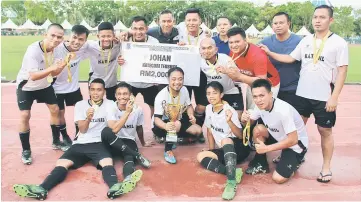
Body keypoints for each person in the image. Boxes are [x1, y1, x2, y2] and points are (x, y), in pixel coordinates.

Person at [259, 5, 348, 183]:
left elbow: (342, 71)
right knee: (294, 129)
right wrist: (269, 52)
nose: (317, 20)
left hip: (323, 97)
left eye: (322, 17)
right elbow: (291, 58)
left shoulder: (339, 43)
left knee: (325, 131)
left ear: (331, 20)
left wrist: (334, 97)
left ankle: (326, 168)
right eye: (315, 17)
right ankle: (292, 155)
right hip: (302, 95)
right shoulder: (306, 40)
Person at [13, 79, 142, 200]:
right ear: (89, 91)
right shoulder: (80, 105)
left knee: (107, 162)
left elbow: (113, 128)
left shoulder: (109, 105)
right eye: (93, 89)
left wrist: (127, 113)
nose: (96, 93)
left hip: (99, 143)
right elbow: (83, 129)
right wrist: (88, 119)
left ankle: (114, 187)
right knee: (62, 164)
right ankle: (42, 188)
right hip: (80, 143)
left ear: (104, 92)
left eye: (99, 90)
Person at [16, 23, 69, 165]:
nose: (56, 39)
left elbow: (54, 73)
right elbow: (33, 76)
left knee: (55, 110)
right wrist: (52, 67)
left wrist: (61, 67)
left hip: (44, 85)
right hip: (27, 85)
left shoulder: (57, 50)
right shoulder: (33, 50)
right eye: (53, 35)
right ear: (45, 35)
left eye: (59, 37)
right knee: (25, 115)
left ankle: (56, 141)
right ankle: (26, 150)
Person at [241, 79, 308, 184]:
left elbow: (293, 140)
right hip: (279, 136)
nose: (258, 100)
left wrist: (267, 148)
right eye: (255, 96)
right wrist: (244, 119)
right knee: (258, 129)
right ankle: (261, 163)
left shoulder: (283, 111)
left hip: (295, 145)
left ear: (270, 94)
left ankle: (296, 160)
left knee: (278, 178)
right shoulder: (259, 106)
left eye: (262, 95)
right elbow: (249, 123)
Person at [196, 81, 250, 200]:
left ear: (221, 95)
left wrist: (229, 121)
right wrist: (211, 149)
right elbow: (209, 131)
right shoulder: (209, 108)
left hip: (238, 147)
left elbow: (241, 136)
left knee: (226, 140)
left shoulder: (229, 110)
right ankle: (233, 172)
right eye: (208, 93)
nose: (211, 96)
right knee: (201, 156)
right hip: (223, 149)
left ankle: (231, 183)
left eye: (214, 93)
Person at [102, 82, 153, 181]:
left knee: (129, 158)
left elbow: (139, 127)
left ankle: (127, 179)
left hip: (128, 140)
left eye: (125, 94)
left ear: (130, 95)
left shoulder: (138, 109)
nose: (122, 97)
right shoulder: (111, 107)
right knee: (106, 131)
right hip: (113, 140)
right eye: (119, 94)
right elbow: (114, 129)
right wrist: (127, 112)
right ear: (115, 96)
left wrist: (143, 142)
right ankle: (137, 155)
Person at [152, 67, 203, 164]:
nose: (177, 82)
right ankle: (168, 151)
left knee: (197, 130)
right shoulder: (161, 96)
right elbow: (156, 119)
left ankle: (174, 137)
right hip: (162, 125)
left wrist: (191, 115)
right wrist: (165, 126)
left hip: (177, 119)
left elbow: (189, 106)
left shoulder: (184, 89)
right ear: (168, 79)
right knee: (176, 124)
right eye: (174, 79)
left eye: (180, 79)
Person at [52, 25, 90, 147]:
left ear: (85, 41)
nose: (77, 41)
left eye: (81, 39)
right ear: (69, 36)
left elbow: (102, 42)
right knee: (59, 113)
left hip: (74, 88)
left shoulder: (84, 49)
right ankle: (63, 137)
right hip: (57, 88)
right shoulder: (57, 49)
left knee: (80, 112)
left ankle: (79, 136)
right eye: (74, 37)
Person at [225, 27, 280, 110]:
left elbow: (262, 81)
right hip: (250, 80)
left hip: (269, 83)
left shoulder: (257, 55)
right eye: (231, 42)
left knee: (265, 109)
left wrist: (239, 76)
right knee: (251, 109)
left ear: (245, 40)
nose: (234, 45)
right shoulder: (233, 51)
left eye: (237, 41)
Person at [117, 16, 160, 120]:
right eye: (135, 29)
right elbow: (118, 54)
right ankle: (124, 129)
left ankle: (154, 128)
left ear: (146, 28)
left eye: (141, 28)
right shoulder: (125, 41)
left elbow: (159, 62)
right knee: (124, 105)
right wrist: (119, 60)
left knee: (155, 107)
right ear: (131, 29)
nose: (138, 32)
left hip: (149, 83)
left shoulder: (154, 42)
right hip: (130, 81)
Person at [259, 12, 303, 113]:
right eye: (275, 23)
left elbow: (290, 58)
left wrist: (269, 53)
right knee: (272, 122)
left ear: (288, 24)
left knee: (292, 121)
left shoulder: (298, 41)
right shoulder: (265, 42)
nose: (278, 25)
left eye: (281, 23)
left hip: (292, 88)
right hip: (272, 88)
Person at [198, 38, 244, 121]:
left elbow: (238, 75)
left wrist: (226, 71)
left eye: (209, 48)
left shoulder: (226, 59)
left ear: (216, 49)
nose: (206, 51)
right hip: (214, 94)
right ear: (200, 50)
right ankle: (199, 131)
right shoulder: (199, 61)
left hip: (230, 92)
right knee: (199, 109)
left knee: (237, 117)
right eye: (203, 48)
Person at [87, 22, 121, 101]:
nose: (106, 39)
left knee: (113, 107)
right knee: (95, 107)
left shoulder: (118, 45)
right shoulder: (91, 46)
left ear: (114, 35)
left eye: (109, 36)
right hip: (95, 82)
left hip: (112, 82)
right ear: (98, 36)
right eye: (103, 36)